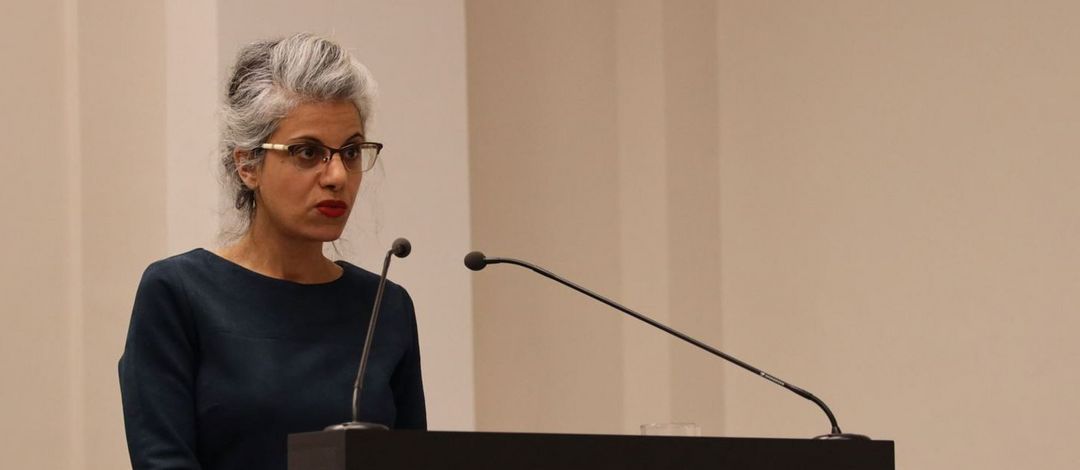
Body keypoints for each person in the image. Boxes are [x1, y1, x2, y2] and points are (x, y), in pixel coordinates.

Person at [118, 33, 426, 470]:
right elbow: (162, 460)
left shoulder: (385, 306)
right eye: (307, 152)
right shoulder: (178, 293)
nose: (337, 175)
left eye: (351, 152)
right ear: (247, 165)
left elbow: (411, 460)